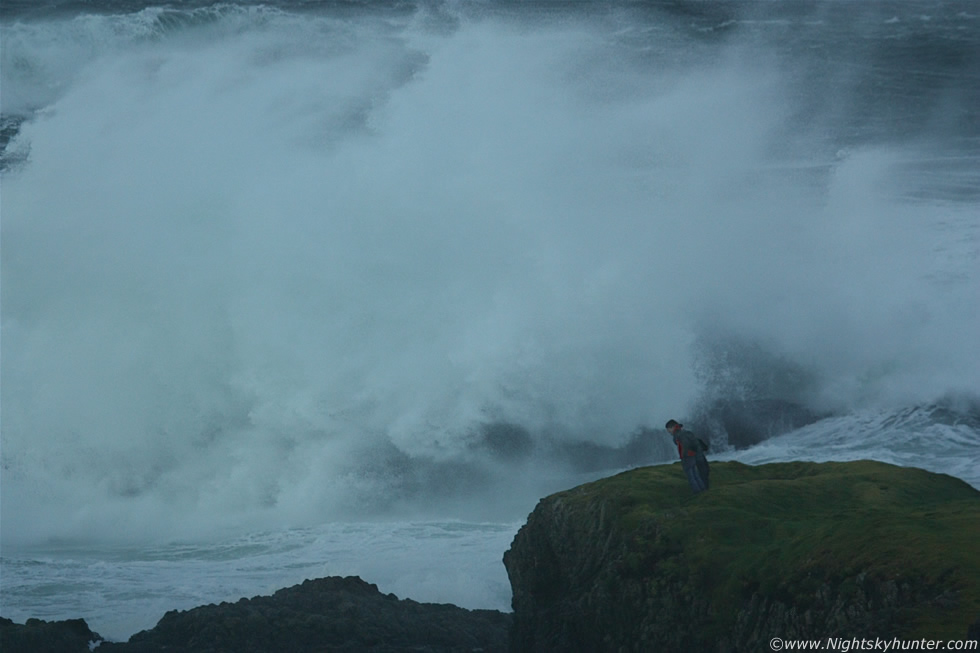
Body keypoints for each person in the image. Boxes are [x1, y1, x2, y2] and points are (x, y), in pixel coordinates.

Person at [665, 419, 710, 494]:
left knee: (691, 476)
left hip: (688, 457)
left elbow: (684, 445)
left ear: (672, 427)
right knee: (697, 474)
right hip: (695, 455)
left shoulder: (678, 434)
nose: (668, 432)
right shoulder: (684, 431)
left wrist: (684, 456)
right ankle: (703, 489)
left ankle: (697, 492)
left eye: (668, 429)